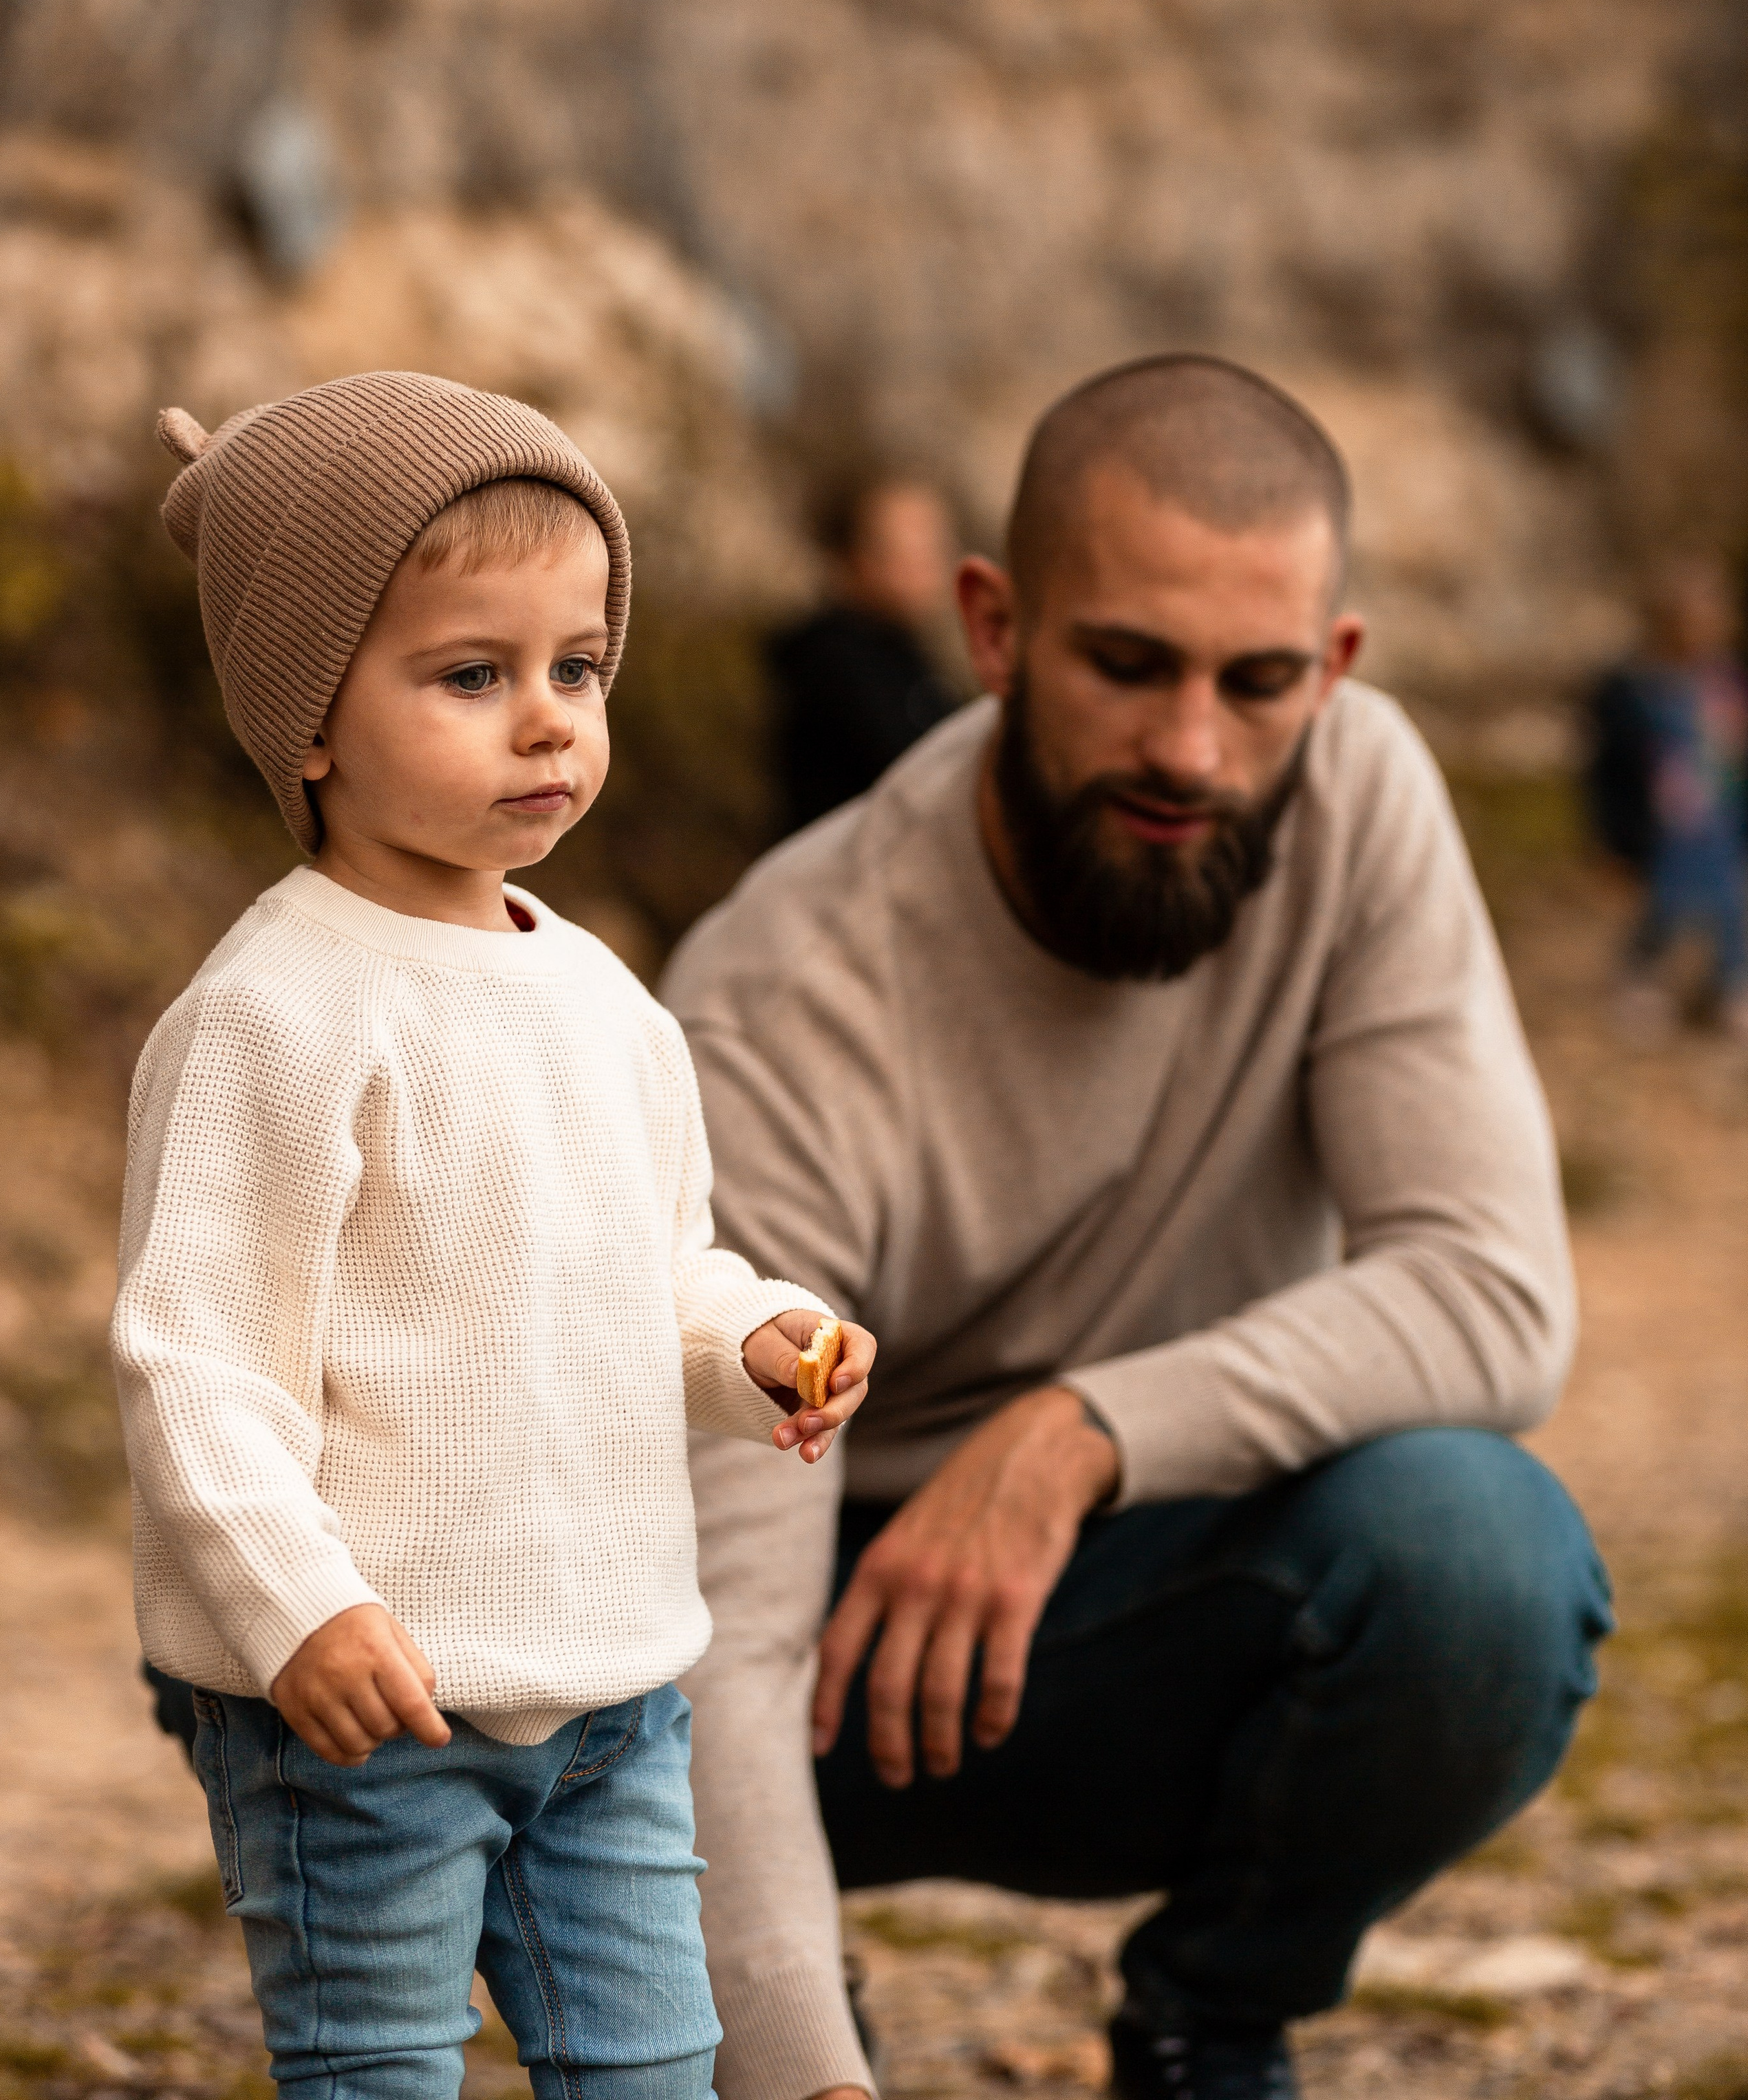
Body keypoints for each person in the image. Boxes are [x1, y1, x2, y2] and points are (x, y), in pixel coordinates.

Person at [662, 356, 1609, 2100]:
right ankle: (727, 1983)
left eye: (1255, 681)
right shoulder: (782, 999)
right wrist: (796, 2064)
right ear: (993, 626)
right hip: (825, 1659)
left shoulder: (1357, 792)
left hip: (1138, 1583)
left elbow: (1490, 1294)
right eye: (1125, 664)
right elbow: (721, 1633)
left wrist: (1079, 1434)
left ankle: (1206, 2021)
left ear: (1329, 666)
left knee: (1476, 1556)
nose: (1189, 748)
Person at [111, 372, 875, 2100]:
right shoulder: (274, 1016)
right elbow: (195, 1361)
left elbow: (649, 1274)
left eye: (576, 668)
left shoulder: (602, 997)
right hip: (366, 1705)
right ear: (309, 716)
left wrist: (744, 1338)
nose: (546, 722)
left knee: (654, 2067)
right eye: (472, 675)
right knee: (381, 2066)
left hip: (612, 1688)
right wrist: (299, 1607)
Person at [1587, 554, 1748, 1043]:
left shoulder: (1728, 684)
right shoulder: (1631, 690)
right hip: (1660, 830)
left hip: (1720, 823)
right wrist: (1613, 840)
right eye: (1683, 614)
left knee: (1731, 909)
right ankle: (1642, 979)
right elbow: (1606, 772)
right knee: (1662, 907)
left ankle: (1729, 988)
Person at [766, 475, 960, 834]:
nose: (928, 565)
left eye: (935, 545)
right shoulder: (834, 661)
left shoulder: (904, 655)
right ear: (852, 558)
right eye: (906, 548)